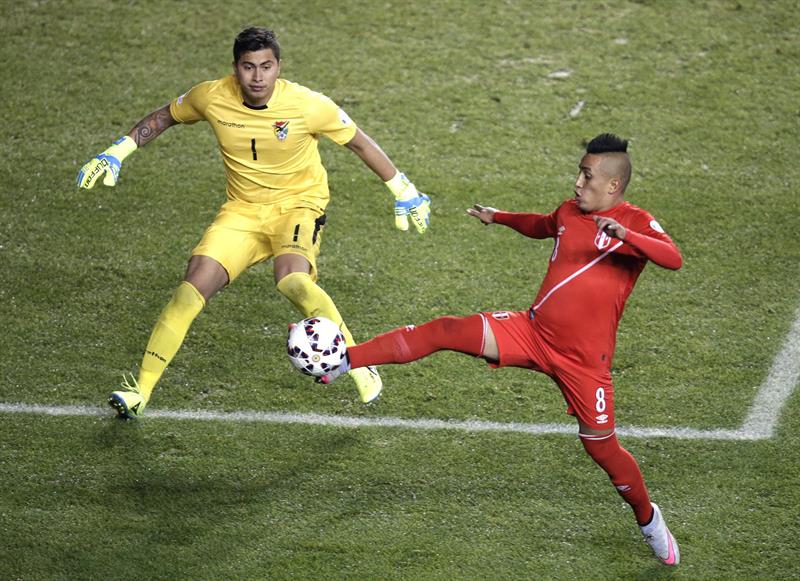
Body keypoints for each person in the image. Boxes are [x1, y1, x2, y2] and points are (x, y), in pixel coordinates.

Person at [311, 134, 682, 565]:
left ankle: (648, 518)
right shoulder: (568, 211)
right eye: (579, 172)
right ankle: (343, 361)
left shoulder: (635, 220)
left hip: (585, 364)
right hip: (532, 332)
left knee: (602, 449)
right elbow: (542, 224)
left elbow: (672, 257)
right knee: (445, 330)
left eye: (586, 175)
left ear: (613, 185)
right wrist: (499, 217)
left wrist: (628, 236)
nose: (577, 182)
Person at [77, 26, 431, 418]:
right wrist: (116, 152)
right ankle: (140, 391)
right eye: (249, 67)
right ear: (235, 68)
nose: (258, 77)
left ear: (279, 66)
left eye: (266, 66)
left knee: (293, 281)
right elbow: (165, 116)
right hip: (242, 212)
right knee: (188, 292)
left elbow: (359, 142)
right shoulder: (211, 96)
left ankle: (360, 363)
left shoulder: (307, 105)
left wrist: (404, 190)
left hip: (298, 207)